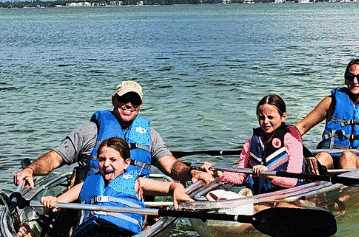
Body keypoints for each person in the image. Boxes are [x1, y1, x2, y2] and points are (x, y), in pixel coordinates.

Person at [13, 80, 212, 188]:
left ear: (140, 106)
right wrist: (30, 169)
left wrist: (191, 172)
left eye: (134, 101)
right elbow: (55, 158)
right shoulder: (88, 131)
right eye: (124, 99)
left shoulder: (150, 136)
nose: (129, 105)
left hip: (134, 202)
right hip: (88, 201)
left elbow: (171, 165)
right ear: (114, 100)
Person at [39, 137, 193, 237]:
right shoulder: (87, 183)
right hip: (90, 231)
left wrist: (178, 191)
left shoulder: (136, 181)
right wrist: (50, 202)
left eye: (113, 160)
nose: (106, 164)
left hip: (122, 233)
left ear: (126, 163)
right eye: (101, 159)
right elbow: (57, 204)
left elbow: (172, 186)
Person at [201, 94, 315, 193]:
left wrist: (267, 174)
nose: (265, 122)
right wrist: (218, 173)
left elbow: (292, 181)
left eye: (270, 117)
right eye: (261, 117)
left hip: (289, 195)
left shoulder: (292, 140)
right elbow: (241, 177)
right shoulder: (250, 143)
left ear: (283, 117)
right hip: (262, 197)